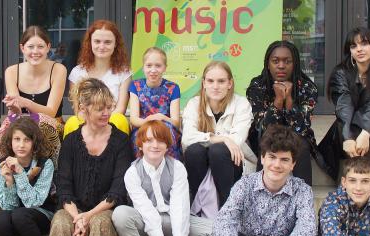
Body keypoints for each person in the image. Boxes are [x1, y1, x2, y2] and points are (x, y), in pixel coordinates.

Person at [42, 78, 133, 236]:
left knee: (100, 223)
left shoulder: (121, 142)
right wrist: (77, 217)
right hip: (74, 209)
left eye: (109, 107)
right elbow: (64, 187)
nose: (107, 113)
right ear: (84, 109)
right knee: (60, 221)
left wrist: (88, 216)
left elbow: (118, 191)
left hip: (106, 209)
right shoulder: (71, 141)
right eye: (100, 109)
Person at [112, 120, 218, 236]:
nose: (155, 145)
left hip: (172, 219)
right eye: (149, 141)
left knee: (222, 229)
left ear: (167, 145)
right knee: (120, 214)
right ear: (140, 145)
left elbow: (179, 208)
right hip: (144, 221)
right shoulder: (132, 173)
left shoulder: (177, 167)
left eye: (160, 141)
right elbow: (146, 210)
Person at [213, 125, 316, 236]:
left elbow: (308, 227)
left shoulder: (302, 190)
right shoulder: (245, 184)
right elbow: (223, 219)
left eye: (284, 159)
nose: (277, 165)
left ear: (293, 164)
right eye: (272, 157)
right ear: (262, 158)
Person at [318, 27, 370, 184]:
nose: (359, 49)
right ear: (349, 51)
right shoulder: (341, 73)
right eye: (353, 46)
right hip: (344, 124)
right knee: (354, 126)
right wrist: (347, 137)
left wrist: (365, 133)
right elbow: (344, 107)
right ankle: (353, 184)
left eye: (364, 44)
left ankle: (364, 184)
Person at [0, 26, 65, 167]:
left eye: (40, 46)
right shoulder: (11, 71)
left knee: (42, 120)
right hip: (23, 122)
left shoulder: (58, 69)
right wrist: (14, 107)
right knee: (8, 122)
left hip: (53, 124)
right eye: (30, 47)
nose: (35, 52)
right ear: (22, 48)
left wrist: (26, 102)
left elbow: (51, 112)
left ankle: (54, 171)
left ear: (48, 47)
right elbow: (17, 113)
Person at [182, 61, 255, 205]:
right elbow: (187, 138)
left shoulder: (241, 104)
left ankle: (227, 208)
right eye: (210, 81)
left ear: (230, 83)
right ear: (204, 83)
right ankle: (196, 206)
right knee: (194, 151)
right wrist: (220, 138)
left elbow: (237, 139)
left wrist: (218, 141)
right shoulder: (194, 104)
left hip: (233, 164)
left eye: (221, 81)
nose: (215, 86)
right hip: (200, 163)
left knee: (218, 150)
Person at [246, 40, 318, 186]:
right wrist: (278, 100)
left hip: (297, 136)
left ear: (295, 64)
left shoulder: (307, 87)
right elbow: (262, 127)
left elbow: (302, 128)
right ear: (268, 64)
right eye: (275, 61)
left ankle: (304, 199)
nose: (281, 66)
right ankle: (262, 195)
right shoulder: (257, 86)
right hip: (264, 137)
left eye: (287, 61)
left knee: (302, 145)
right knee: (266, 143)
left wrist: (289, 99)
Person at [0, 117, 56, 236]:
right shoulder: (2, 164)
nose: (21, 145)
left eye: (27, 140)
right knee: (1, 218)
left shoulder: (45, 164)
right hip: (16, 215)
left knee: (20, 215)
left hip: (41, 214)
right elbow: (7, 207)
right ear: (10, 141)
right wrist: (9, 182)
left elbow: (34, 201)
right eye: (17, 139)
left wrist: (19, 173)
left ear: (34, 142)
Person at [64, 19, 132, 138]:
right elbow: (78, 110)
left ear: (115, 44)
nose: (102, 46)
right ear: (90, 43)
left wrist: (102, 121)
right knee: (72, 123)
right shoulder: (77, 72)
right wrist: (92, 123)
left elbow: (120, 109)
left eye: (107, 42)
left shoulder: (124, 73)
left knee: (120, 120)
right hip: (86, 122)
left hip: (111, 121)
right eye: (97, 41)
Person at [128, 47, 182, 160]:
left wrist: (161, 117)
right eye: (149, 65)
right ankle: (140, 171)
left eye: (158, 66)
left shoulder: (173, 88)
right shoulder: (135, 86)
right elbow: (134, 119)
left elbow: (176, 122)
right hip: (142, 125)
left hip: (165, 127)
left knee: (169, 134)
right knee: (139, 136)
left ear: (165, 68)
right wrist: (149, 121)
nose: (153, 70)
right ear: (143, 67)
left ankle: (171, 169)